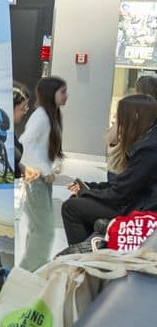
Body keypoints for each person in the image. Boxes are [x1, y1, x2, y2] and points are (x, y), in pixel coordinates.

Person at [62, 94, 157, 244]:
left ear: (135, 117)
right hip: (138, 204)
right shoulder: (148, 142)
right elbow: (125, 184)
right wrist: (91, 188)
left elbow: (120, 193)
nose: (115, 119)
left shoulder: (148, 149)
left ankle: (81, 259)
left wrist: (86, 192)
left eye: (119, 116)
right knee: (77, 201)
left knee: (71, 207)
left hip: (142, 213)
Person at [18, 76, 68, 270]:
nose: (66, 96)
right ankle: (30, 270)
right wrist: (42, 169)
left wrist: (52, 168)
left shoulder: (52, 115)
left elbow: (47, 149)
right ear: (51, 93)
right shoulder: (40, 116)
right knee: (44, 230)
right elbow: (24, 145)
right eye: (62, 92)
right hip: (35, 179)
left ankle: (31, 269)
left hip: (41, 179)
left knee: (38, 228)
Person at [104, 75, 157, 177]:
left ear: (137, 90)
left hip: (121, 164)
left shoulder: (130, 108)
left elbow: (112, 139)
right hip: (143, 171)